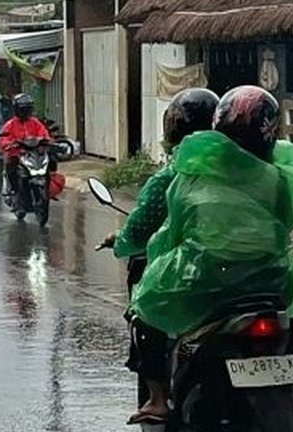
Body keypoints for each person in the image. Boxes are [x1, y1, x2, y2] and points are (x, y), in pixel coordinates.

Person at [127, 85, 293, 425]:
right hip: (270, 278)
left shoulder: (191, 171)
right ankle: (292, 390)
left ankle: (158, 400)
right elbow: (282, 227)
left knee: (144, 304)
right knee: (282, 309)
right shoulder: (280, 175)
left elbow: (170, 233)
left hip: (210, 278)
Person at [96, 88, 219, 405]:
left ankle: (157, 399)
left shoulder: (171, 177)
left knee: (145, 308)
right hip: (249, 271)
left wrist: (120, 241)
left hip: (193, 274)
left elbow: (137, 232)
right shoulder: (246, 171)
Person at [0, 93, 51, 209]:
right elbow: (3, 138)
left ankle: (46, 191)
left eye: (27, 109)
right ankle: (15, 192)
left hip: (34, 154)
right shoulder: (10, 124)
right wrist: (9, 144)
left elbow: (43, 133)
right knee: (11, 167)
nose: (25, 111)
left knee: (51, 164)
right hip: (16, 155)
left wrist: (46, 141)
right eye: (23, 109)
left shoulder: (35, 122)